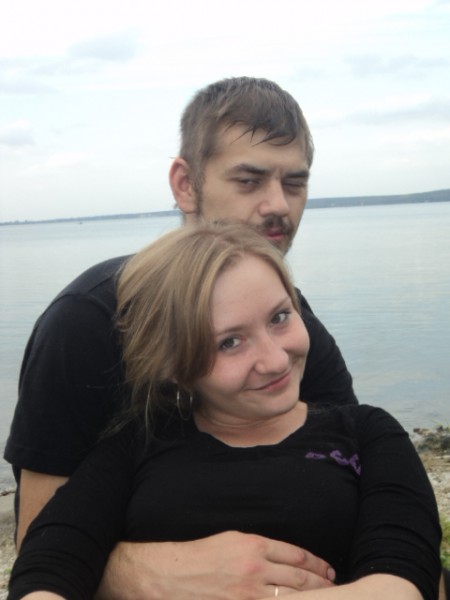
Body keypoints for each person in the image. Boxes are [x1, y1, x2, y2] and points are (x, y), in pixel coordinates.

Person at [4, 77, 359, 598]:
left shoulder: (294, 335)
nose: (278, 205)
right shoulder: (90, 322)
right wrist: (151, 571)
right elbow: (37, 535)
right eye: (249, 180)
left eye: (294, 183)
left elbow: (355, 469)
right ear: (185, 184)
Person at [8, 223, 442, 600]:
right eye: (229, 342)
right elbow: (47, 567)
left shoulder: (368, 435)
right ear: (174, 366)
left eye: (280, 317)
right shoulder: (134, 451)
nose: (275, 360)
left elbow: (403, 582)